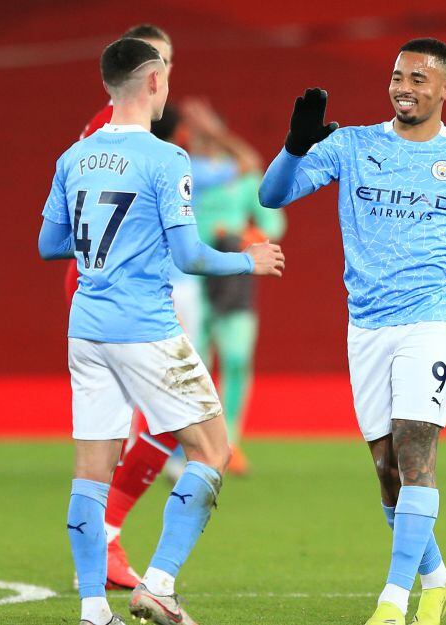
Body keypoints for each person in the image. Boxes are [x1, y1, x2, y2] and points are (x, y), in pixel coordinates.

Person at [259, 37, 446, 625]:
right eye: (397, 76)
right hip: (365, 324)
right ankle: (439, 582)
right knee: (387, 469)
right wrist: (294, 146)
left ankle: (393, 602)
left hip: (429, 320)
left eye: (419, 78)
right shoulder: (351, 144)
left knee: (416, 449)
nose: (404, 87)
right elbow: (272, 195)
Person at [39, 37, 284, 625]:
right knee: (212, 448)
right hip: (144, 325)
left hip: (87, 328)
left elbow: (49, 244)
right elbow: (190, 255)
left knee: (90, 469)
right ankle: (159, 583)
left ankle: (94, 608)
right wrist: (247, 262)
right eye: (166, 75)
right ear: (152, 82)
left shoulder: (74, 157)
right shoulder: (164, 158)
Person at [63, 23, 183, 592]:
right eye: (162, 64)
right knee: (171, 423)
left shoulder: (98, 137)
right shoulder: (120, 136)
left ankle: (100, 561)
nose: (165, 77)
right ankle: (108, 533)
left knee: (142, 428)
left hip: (109, 293)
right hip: (118, 297)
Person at [183, 98, 286, 475]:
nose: (199, 139)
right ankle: (191, 446)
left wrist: (244, 235)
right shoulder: (182, 172)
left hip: (234, 277)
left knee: (236, 358)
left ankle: (230, 441)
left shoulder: (241, 178)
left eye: (205, 133)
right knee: (193, 361)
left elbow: (273, 224)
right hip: (188, 276)